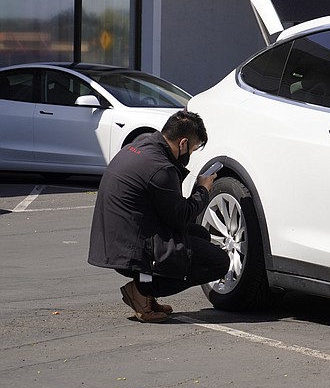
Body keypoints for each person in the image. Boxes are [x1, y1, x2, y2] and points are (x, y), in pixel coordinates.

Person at [88, 110, 229, 323]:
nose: (191, 153)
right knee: (218, 262)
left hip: (118, 239)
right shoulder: (161, 168)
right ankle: (141, 290)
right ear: (182, 144)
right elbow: (180, 217)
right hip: (131, 250)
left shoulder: (140, 146)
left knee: (199, 234)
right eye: (193, 148)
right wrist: (203, 190)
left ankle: (147, 292)